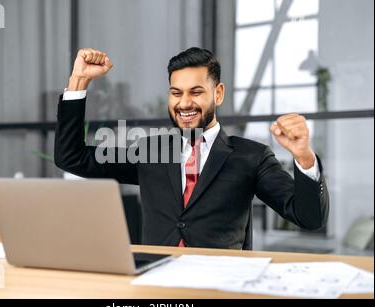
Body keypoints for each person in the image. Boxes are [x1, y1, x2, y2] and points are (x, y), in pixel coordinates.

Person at [54, 47, 329, 249]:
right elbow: (72, 157)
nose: (184, 103)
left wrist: (304, 157)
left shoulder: (251, 157)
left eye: (196, 92)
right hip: (156, 285)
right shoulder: (151, 150)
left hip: (219, 287)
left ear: (217, 94)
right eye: (176, 93)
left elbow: (308, 218)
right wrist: (78, 83)